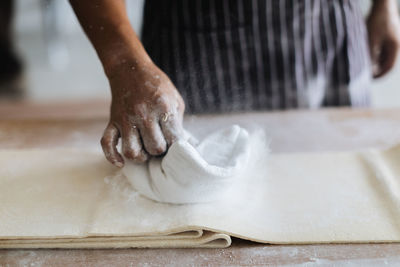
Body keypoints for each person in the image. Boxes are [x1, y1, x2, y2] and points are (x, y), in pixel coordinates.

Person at [7, 0, 399, 167]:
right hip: (200, 32)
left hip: (328, 28)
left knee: (339, 180)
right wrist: (125, 61)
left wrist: (386, 4)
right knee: (192, 200)